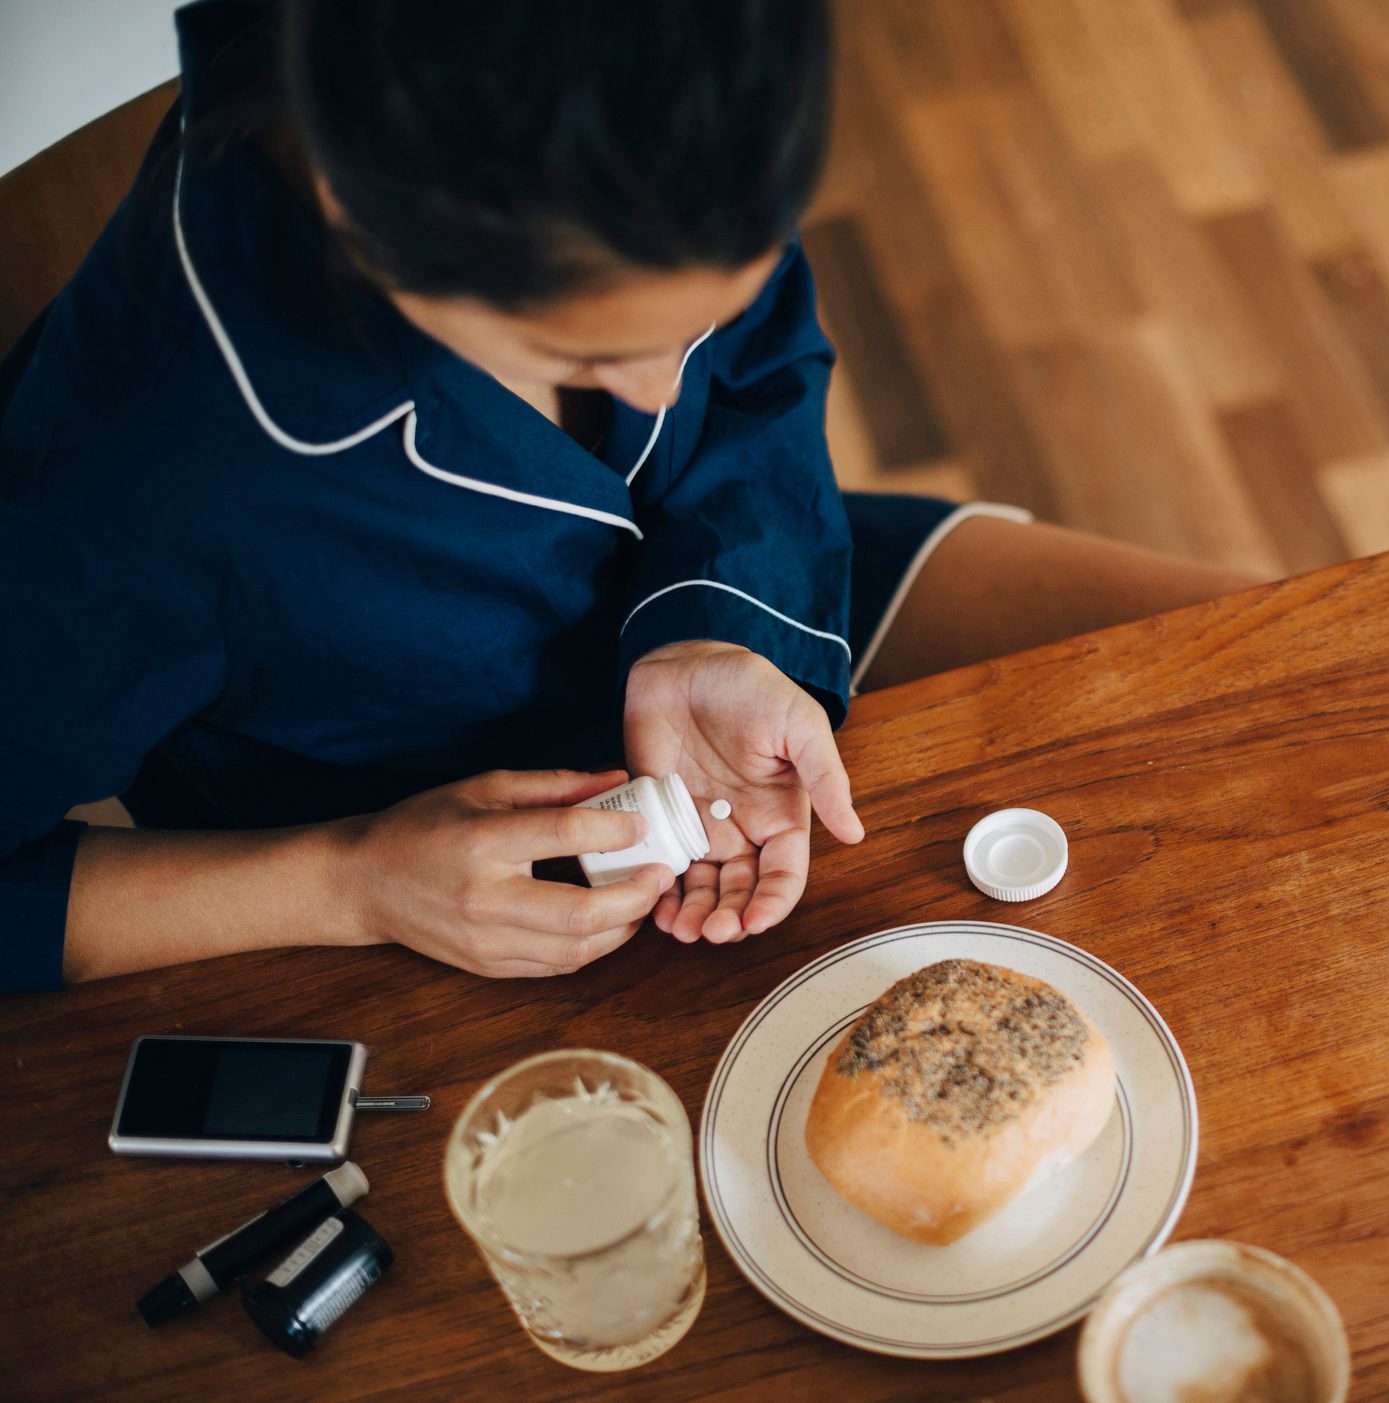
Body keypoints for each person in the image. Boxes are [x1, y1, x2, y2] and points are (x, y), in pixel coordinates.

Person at [0, 0, 1256, 993]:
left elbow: (757, 382)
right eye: (583, 358)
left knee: (1250, 687)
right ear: (367, 223)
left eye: (703, 304)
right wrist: (353, 881)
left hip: (762, 579)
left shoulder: (661, 118)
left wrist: (719, 625)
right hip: (461, 893)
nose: (664, 385)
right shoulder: (130, 496)